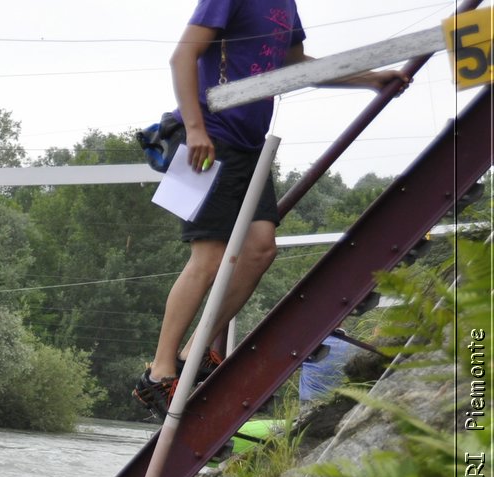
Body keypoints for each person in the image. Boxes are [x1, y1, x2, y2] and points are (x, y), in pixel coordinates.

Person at [134, 0, 409, 416]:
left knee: (261, 249)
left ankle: (195, 352)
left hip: (249, 148)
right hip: (208, 140)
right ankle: (158, 373)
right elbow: (182, 56)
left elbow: (298, 64)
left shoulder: (286, 5)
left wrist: (370, 79)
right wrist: (194, 130)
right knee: (207, 258)